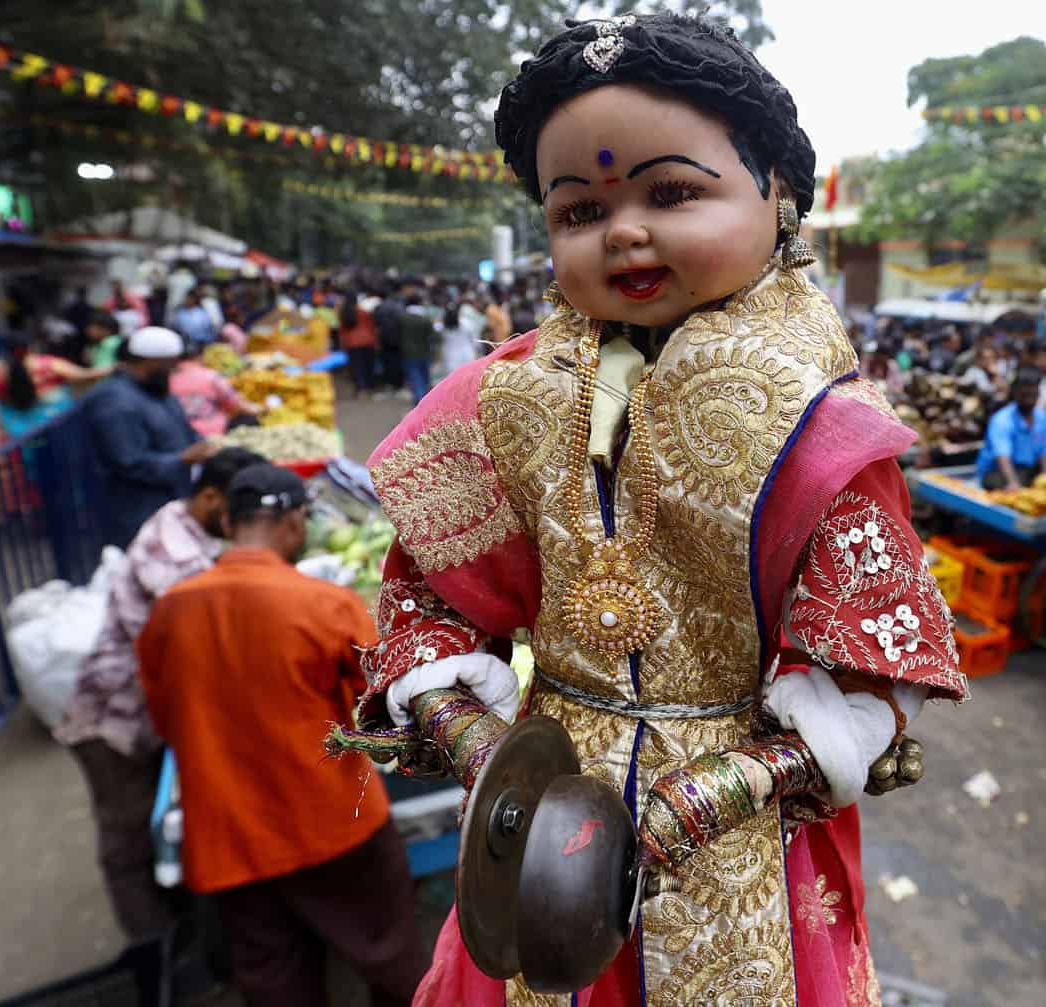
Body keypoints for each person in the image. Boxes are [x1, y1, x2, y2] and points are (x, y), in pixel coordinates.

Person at [338, 15, 966, 1004]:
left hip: (737, 817)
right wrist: (471, 732)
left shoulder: (821, 425)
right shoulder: (500, 401)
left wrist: (728, 788)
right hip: (540, 802)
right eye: (579, 210)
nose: (623, 230)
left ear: (779, 195)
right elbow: (431, 593)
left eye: (672, 192)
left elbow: (872, 665)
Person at [137, 465, 423, 1005]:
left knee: (274, 980)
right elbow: (384, 706)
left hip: (229, 839)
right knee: (391, 959)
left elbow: (164, 720)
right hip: (332, 826)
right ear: (295, 521)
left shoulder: (169, 612)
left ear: (227, 520)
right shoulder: (323, 604)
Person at [55, 447, 265, 938]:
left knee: (161, 829)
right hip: (115, 719)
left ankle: (184, 922)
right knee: (127, 841)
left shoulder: (185, 518)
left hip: (152, 708)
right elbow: (211, 643)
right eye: (236, 514)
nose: (241, 527)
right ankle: (157, 953)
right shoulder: (174, 557)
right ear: (211, 497)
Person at [85, 326, 216, 548]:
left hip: (171, 499)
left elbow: (182, 429)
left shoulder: (157, 391)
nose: (175, 370)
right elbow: (129, 462)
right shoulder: (115, 402)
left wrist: (203, 445)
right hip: (137, 510)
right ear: (151, 362)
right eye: (170, 364)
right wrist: (182, 459)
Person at [976, 370, 1046, 489]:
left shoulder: (1042, 419)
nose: (1029, 399)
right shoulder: (1002, 420)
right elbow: (1002, 456)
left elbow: (1043, 454)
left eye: (1033, 394)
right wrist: (1013, 483)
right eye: (1025, 394)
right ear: (1016, 393)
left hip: (1026, 469)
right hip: (997, 472)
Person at [169, 342, 262, 438]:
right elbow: (235, 403)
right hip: (214, 433)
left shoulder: (168, 379)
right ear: (199, 357)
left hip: (181, 435)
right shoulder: (210, 376)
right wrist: (257, 409)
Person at [399, 289, 439, 403]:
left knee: (414, 376)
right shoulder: (425, 319)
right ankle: (424, 399)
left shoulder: (403, 318)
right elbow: (434, 336)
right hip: (424, 352)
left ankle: (419, 398)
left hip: (408, 352)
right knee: (424, 376)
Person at [339, 294, 380, 396]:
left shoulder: (343, 312)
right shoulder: (363, 312)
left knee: (356, 367)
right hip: (367, 341)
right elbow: (371, 326)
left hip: (351, 343)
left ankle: (360, 388)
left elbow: (342, 330)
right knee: (368, 366)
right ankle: (369, 386)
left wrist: (343, 343)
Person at [436, 302, 476, 379]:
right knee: (468, 377)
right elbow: (473, 339)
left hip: (450, 356)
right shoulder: (466, 323)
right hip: (467, 354)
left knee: (454, 379)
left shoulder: (441, 327)